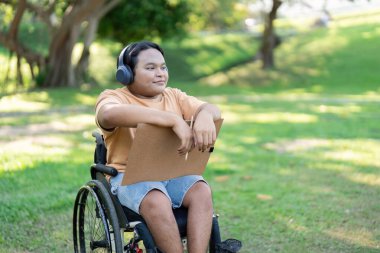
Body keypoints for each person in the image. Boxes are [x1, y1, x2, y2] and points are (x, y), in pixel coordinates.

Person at [95, 41, 221, 253]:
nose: (160, 73)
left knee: (201, 190)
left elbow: (211, 108)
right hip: (129, 177)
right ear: (126, 74)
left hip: (170, 173)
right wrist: (171, 119)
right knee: (157, 198)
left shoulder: (174, 96)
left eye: (163, 67)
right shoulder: (114, 97)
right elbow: (108, 114)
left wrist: (206, 115)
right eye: (150, 68)